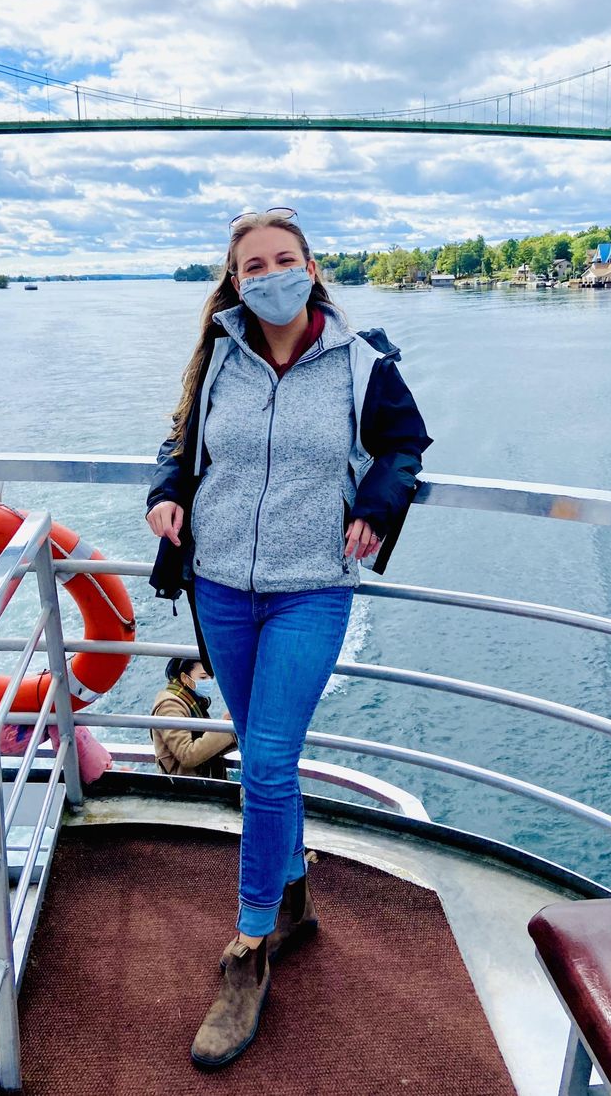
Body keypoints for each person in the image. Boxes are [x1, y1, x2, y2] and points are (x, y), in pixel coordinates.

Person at [145, 206, 431, 1069]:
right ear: (235, 281)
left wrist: (379, 505)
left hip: (312, 589)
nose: (270, 274)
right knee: (271, 758)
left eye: (284, 259)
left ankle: (250, 944)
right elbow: (180, 438)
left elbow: (404, 446)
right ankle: (295, 892)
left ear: (312, 267)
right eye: (253, 265)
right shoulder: (218, 354)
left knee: (266, 762)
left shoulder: (363, 361)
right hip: (220, 586)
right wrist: (167, 491)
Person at [151, 656, 236, 779]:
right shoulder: (170, 706)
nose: (209, 682)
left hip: (199, 780)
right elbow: (187, 755)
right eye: (203, 677)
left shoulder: (192, 700)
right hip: (185, 788)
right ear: (185, 678)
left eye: (211, 677)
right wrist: (226, 728)